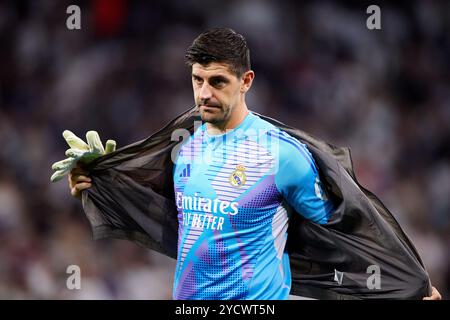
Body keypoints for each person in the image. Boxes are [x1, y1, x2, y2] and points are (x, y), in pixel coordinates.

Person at [68, 28, 442, 300]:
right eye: (197, 80)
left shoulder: (283, 155)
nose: (203, 93)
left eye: (217, 81)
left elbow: (348, 231)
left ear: (246, 80)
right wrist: (96, 180)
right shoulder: (184, 143)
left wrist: (411, 285)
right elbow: (159, 210)